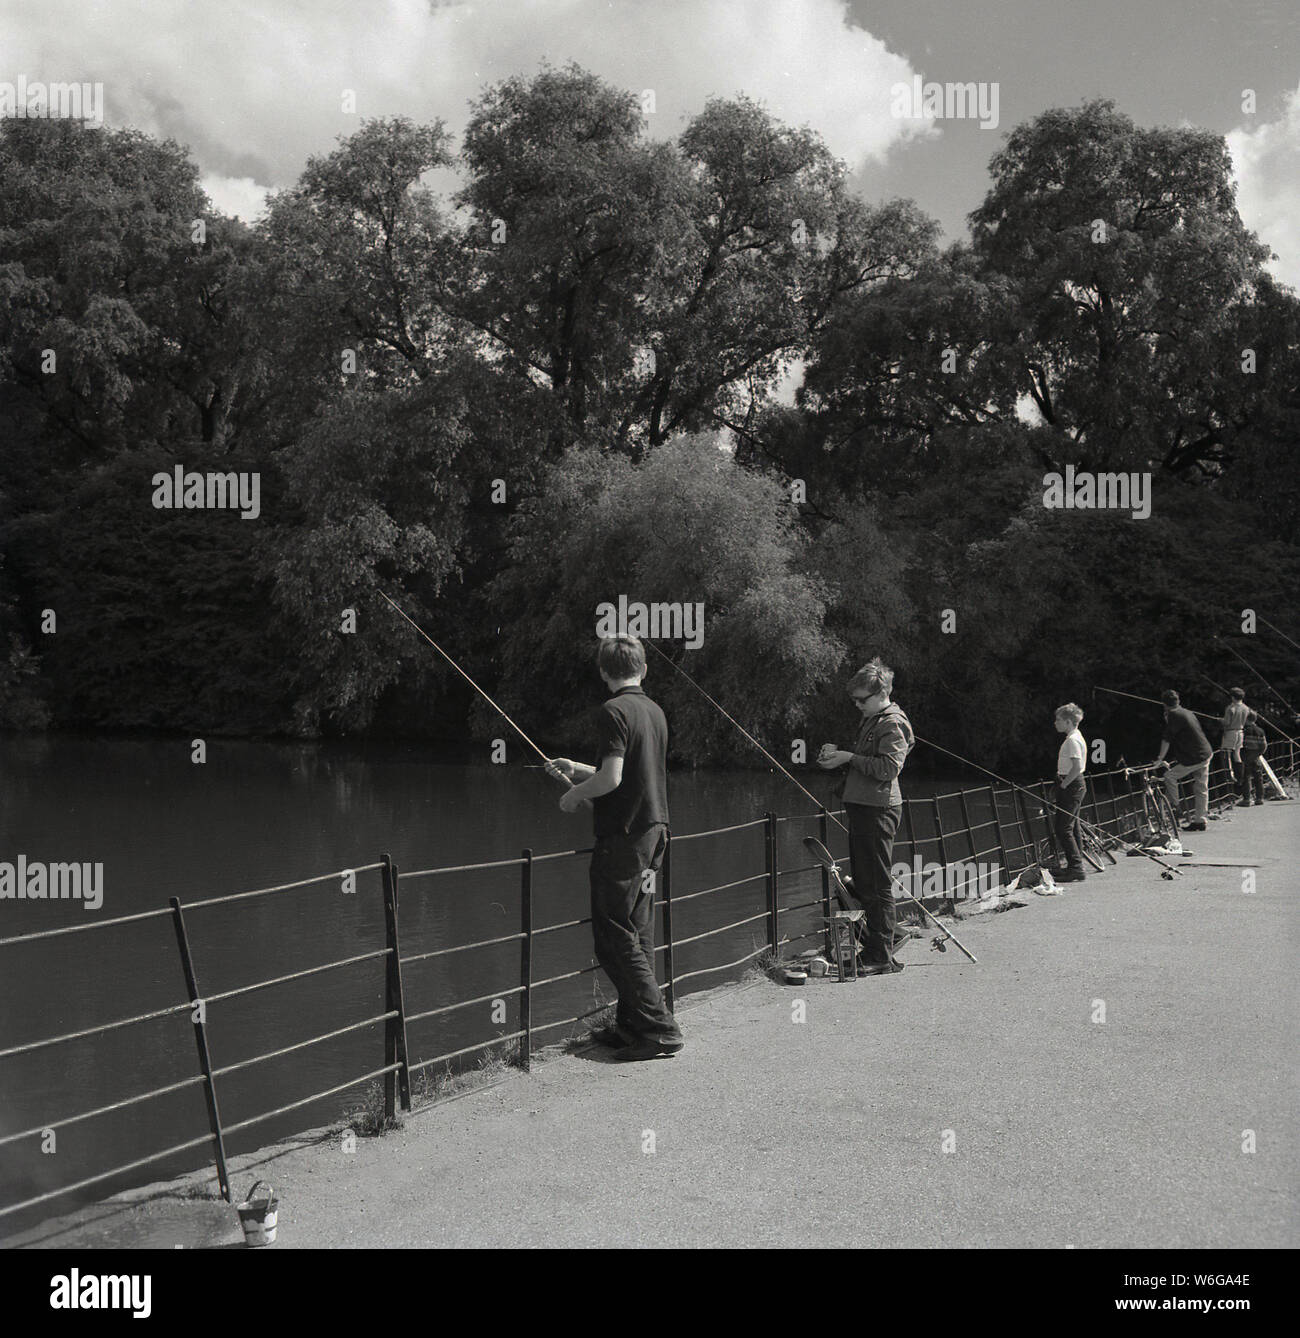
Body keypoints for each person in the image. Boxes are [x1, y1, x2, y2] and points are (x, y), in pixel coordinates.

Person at [547, 635, 684, 1061]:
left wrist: (573, 795)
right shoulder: (653, 710)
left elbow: (611, 781)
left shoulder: (613, 711)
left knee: (612, 933)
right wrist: (578, 769)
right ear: (643, 669)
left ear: (604, 672)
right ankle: (633, 1025)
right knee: (638, 928)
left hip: (625, 839)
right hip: (654, 834)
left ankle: (660, 1029)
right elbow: (625, 771)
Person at [817, 657, 914, 976]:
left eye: (862, 699)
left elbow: (889, 769)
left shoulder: (892, 722)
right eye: (855, 700)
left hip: (878, 810)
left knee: (877, 884)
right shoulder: (873, 719)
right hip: (863, 807)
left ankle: (880, 955)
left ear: (881, 692)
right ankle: (880, 944)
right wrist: (838, 758)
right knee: (866, 881)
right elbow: (868, 763)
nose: (857, 705)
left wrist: (849, 757)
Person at [1153, 689, 1213, 831]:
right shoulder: (1187, 712)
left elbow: (1167, 738)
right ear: (1178, 701)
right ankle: (1200, 820)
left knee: (1169, 776)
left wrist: (1160, 758)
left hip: (1194, 757)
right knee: (1201, 788)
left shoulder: (1174, 715)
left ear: (1164, 704)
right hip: (1206, 752)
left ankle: (1175, 807)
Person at [1052, 703, 1088, 882]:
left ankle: (1076, 867)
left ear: (1067, 722)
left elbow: (1077, 767)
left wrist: (1064, 785)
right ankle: (1075, 864)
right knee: (1072, 827)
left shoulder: (1072, 740)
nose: (1055, 723)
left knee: (1063, 828)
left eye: (1058, 720)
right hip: (1074, 785)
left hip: (1071, 785)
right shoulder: (1075, 736)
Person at [1238, 709, 1267, 807]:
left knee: (1246, 778)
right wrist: (1259, 753)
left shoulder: (1245, 731)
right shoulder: (1260, 731)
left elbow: (1240, 744)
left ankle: (1246, 799)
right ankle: (1260, 798)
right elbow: (1264, 745)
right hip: (1256, 757)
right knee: (1258, 778)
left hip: (1246, 756)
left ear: (1246, 719)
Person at [1220, 688, 1249, 781]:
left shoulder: (1230, 708)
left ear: (1233, 697)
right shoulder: (1246, 708)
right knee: (1237, 754)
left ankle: (1229, 776)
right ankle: (1240, 777)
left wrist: (1221, 720)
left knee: (1227, 754)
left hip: (1231, 732)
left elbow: (1227, 722)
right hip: (1240, 732)